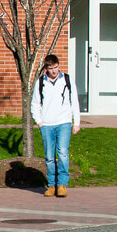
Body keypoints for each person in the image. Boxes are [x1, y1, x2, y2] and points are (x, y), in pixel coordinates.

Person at [31, 54, 80, 197]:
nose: (54, 71)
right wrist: (39, 121)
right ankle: (52, 185)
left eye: (56, 67)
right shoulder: (41, 82)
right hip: (47, 124)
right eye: (51, 68)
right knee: (49, 156)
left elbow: (74, 101)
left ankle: (62, 184)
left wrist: (76, 122)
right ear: (46, 68)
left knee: (63, 153)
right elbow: (35, 104)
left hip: (63, 121)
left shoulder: (67, 80)